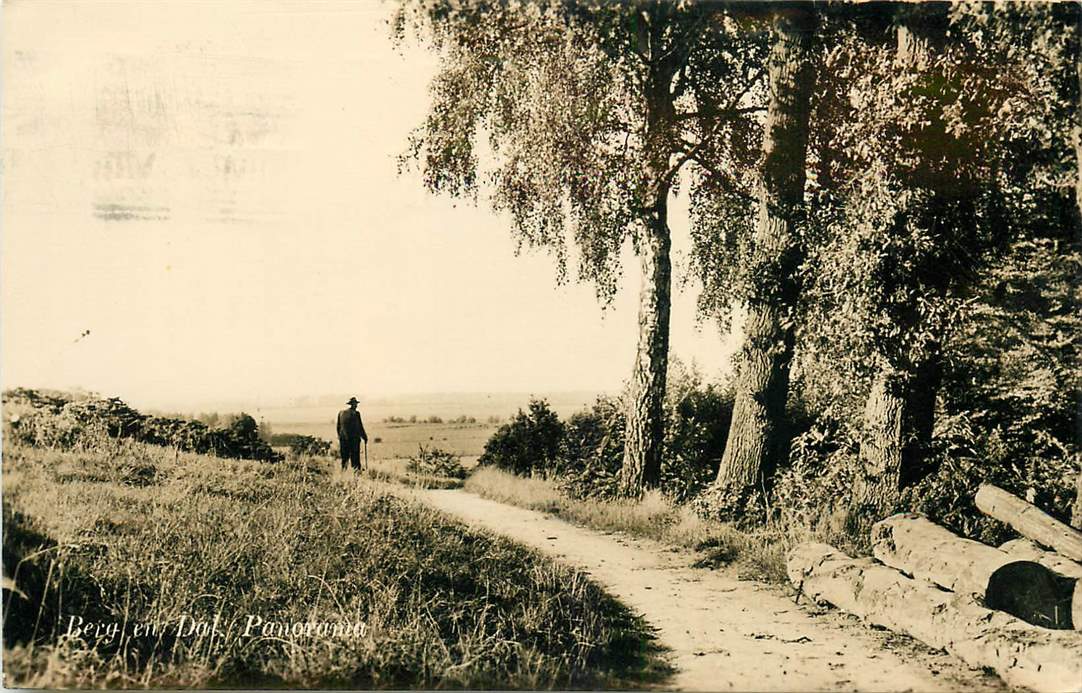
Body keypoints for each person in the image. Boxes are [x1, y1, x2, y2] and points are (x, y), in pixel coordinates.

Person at [336, 396, 368, 470]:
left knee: (344, 458)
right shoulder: (356, 414)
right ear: (353, 405)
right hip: (354, 440)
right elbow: (360, 427)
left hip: (343, 439)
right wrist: (364, 437)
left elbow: (338, 427)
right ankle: (356, 474)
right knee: (355, 458)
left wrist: (340, 437)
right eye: (355, 404)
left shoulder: (341, 413)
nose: (356, 405)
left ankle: (343, 473)